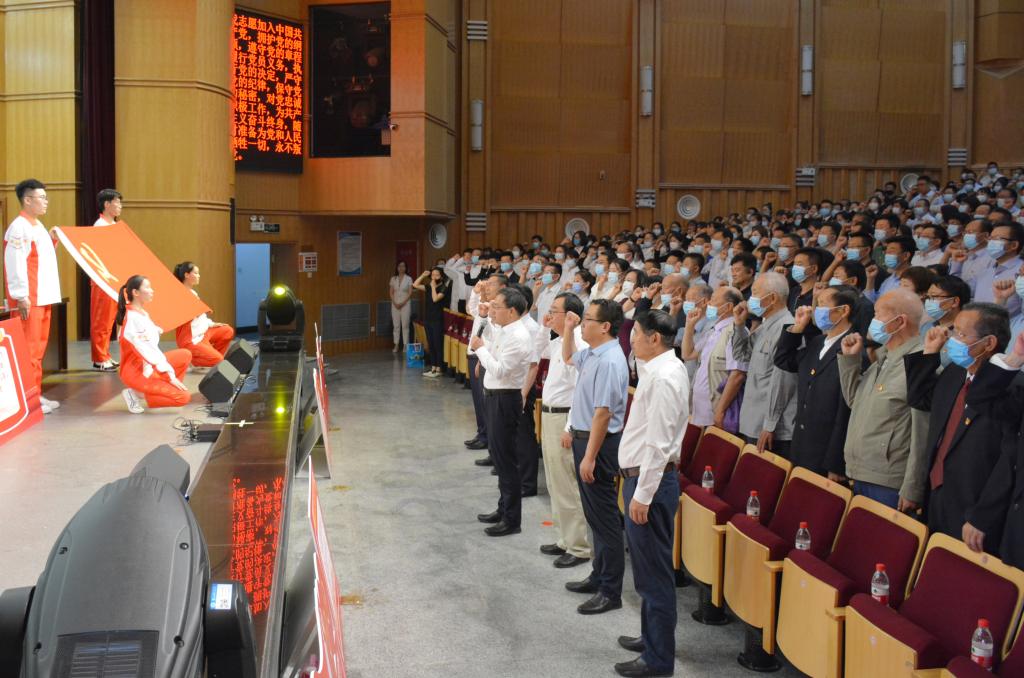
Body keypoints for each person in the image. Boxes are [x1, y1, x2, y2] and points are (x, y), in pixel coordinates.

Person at [905, 303, 1022, 550]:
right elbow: (920, 400)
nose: (952, 340)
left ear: (989, 343)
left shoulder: (1012, 388)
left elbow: (1008, 460)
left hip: (973, 506)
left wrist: (984, 515)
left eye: (961, 334)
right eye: (953, 331)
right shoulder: (955, 373)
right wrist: (929, 353)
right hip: (936, 492)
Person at [613, 310, 688, 678]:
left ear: (654, 338)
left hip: (651, 484)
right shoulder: (660, 368)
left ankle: (658, 660)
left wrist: (642, 494)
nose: (631, 341)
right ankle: (651, 638)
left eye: (636, 335)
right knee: (646, 571)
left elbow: (658, 444)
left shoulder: (663, 378)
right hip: (646, 479)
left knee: (654, 574)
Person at [562, 299, 630, 615]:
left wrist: (589, 457)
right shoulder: (592, 353)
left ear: (605, 326)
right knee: (593, 517)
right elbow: (567, 357)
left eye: (587, 319)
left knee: (605, 521)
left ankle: (610, 591)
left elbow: (603, 414)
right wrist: (568, 328)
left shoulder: (611, 360)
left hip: (598, 445)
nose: (582, 323)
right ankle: (598, 574)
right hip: (585, 439)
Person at [838, 289, 928, 510]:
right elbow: (855, 402)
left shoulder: (920, 363)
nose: (873, 320)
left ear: (900, 321)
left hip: (889, 481)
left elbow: (922, 433)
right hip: (860, 470)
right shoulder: (884, 357)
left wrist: (913, 486)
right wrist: (850, 360)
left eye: (878, 314)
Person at [775, 285, 860, 478]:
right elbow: (784, 360)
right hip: (801, 443)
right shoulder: (817, 342)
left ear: (843, 310)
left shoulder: (853, 350)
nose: (815, 310)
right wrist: (797, 328)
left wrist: (835, 464)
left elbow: (845, 411)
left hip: (825, 452)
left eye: (822, 304)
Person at [470, 287, 534, 537]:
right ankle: (503, 508)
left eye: (497, 307)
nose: (492, 310)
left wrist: (479, 349)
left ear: (512, 311)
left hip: (505, 399)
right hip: (495, 397)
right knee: (498, 456)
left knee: (506, 460)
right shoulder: (504, 329)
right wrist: (484, 319)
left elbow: (499, 370)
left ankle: (512, 519)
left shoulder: (519, 336)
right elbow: (490, 340)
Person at [538, 292, 592, 569]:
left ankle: (578, 546)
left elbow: (581, 392)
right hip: (549, 415)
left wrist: (570, 427)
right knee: (554, 482)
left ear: (571, 316)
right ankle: (564, 539)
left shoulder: (578, 344)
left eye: (554, 311)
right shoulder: (560, 340)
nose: (549, 314)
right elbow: (537, 351)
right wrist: (545, 328)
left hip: (564, 419)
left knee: (567, 486)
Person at [4, 179, 62, 414]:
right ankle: (28, 400)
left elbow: (41, 258)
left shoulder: (37, 226)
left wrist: (53, 238)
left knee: (37, 352)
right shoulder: (19, 228)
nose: (46, 202)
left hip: (44, 297)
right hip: (30, 299)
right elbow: (15, 263)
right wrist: (20, 296)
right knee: (28, 352)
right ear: (27, 200)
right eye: (42, 198)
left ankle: (34, 394)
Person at [731, 272, 797, 454]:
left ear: (772, 298)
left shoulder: (787, 328)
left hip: (770, 428)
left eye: (755, 293)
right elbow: (741, 355)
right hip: (753, 420)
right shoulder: (765, 326)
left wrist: (770, 424)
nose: (749, 299)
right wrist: (739, 325)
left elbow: (783, 382)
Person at [116, 275, 191, 414]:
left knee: (185, 355)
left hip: (147, 365)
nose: (152, 290)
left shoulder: (141, 313)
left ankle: (159, 391)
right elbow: (147, 352)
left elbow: (147, 338)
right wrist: (169, 376)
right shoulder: (132, 319)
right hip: (136, 372)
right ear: (135, 292)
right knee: (183, 398)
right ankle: (136, 394)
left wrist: (156, 329)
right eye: (148, 287)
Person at [682, 286, 747, 432]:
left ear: (728, 307)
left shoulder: (735, 332)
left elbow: (737, 376)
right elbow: (688, 354)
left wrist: (720, 410)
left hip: (715, 409)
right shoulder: (714, 329)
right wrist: (689, 325)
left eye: (713, 300)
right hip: (700, 406)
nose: (709, 304)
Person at [173, 262, 235, 368]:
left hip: (203, 332)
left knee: (227, 331)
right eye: (196, 273)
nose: (199, 276)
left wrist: (212, 324)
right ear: (186, 275)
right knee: (219, 360)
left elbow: (201, 317)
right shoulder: (179, 294)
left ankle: (208, 355)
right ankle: (199, 359)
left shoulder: (193, 293)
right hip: (191, 339)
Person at [90, 188, 122, 371]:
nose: (120, 206)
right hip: (103, 279)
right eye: (116, 202)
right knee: (101, 320)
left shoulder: (114, 225)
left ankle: (105, 354)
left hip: (114, 278)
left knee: (109, 320)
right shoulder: (100, 226)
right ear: (107, 204)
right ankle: (99, 358)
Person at [413, 267, 451, 378]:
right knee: (431, 344)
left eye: (437, 275)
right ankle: (433, 367)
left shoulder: (444, 287)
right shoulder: (429, 287)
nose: (434, 277)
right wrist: (423, 275)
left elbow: (435, 299)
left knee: (438, 344)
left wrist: (433, 287)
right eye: (433, 275)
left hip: (437, 319)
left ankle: (439, 368)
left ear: (441, 276)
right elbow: (415, 285)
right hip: (428, 319)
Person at [389, 261, 413, 352]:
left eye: (403, 266)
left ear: (406, 268)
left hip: (405, 304)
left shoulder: (409, 278)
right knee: (396, 325)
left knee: (405, 325)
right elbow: (391, 292)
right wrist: (395, 302)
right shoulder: (393, 278)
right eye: (399, 266)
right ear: (397, 267)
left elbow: (410, 293)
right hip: (395, 304)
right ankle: (396, 344)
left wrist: (402, 303)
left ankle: (405, 345)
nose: (401, 268)